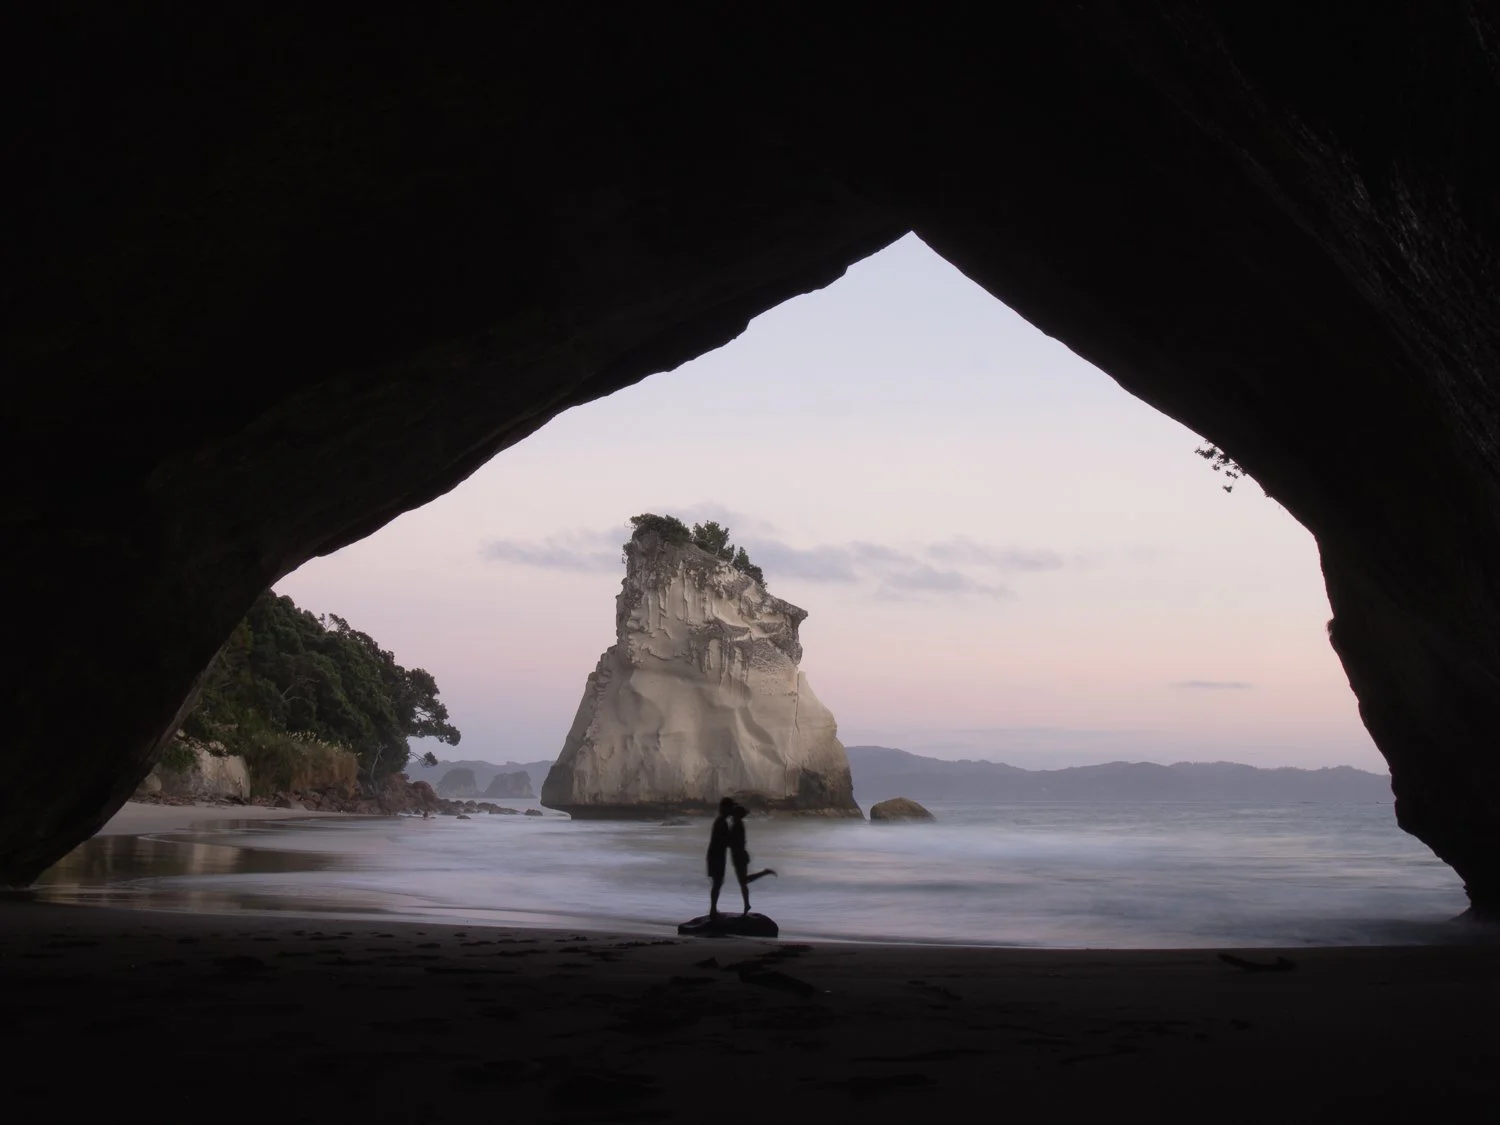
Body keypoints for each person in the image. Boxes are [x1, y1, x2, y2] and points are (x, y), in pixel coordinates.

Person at [728, 803, 776, 914]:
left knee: (743, 881)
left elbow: (734, 842)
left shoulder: (737, 826)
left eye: (734, 814)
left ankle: (764, 872)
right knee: (743, 882)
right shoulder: (738, 825)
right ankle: (747, 905)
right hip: (740, 855)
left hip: (739, 856)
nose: (732, 816)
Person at [706, 797, 734, 918]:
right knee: (717, 883)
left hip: (715, 855)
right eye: (730, 807)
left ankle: (713, 908)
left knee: (717, 883)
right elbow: (725, 841)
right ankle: (713, 909)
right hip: (716, 856)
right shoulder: (721, 822)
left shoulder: (720, 821)